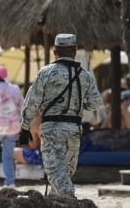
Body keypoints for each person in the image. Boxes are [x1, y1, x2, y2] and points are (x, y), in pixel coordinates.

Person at [19, 34, 102, 196]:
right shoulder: (85, 75)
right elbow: (96, 103)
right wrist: (78, 105)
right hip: (74, 130)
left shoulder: (45, 73)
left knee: (55, 172)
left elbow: (31, 103)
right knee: (65, 173)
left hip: (52, 129)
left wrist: (24, 128)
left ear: (55, 53)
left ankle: (70, 199)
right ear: (74, 52)